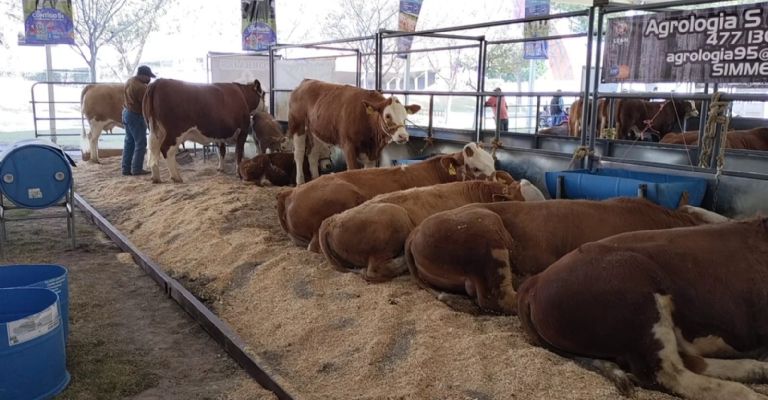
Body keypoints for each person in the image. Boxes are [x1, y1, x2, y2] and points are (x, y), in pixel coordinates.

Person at [121, 65, 156, 176]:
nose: (149, 79)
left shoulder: (130, 81)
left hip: (126, 112)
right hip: (136, 115)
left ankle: (126, 168)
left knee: (129, 142)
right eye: (148, 77)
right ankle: (136, 169)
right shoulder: (141, 88)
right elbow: (146, 104)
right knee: (141, 143)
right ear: (142, 75)